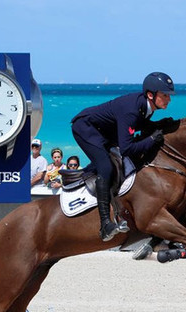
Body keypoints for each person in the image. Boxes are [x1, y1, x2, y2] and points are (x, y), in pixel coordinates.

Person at [71, 71, 177, 241]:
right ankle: (105, 224)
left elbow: (141, 125)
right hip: (86, 128)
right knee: (105, 166)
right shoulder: (132, 110)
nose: (169, 99)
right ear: (151, 95)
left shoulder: (145, 106)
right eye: (165, 95)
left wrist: (160, 125)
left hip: (104, 131)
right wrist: (151, 139)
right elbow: (127, 149)